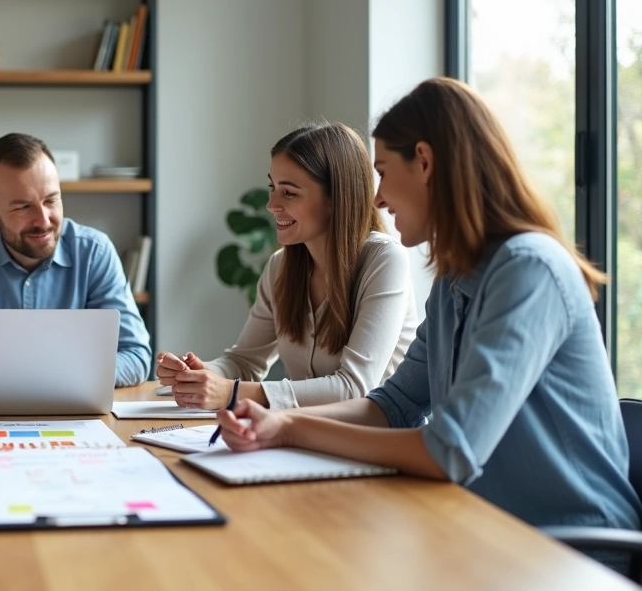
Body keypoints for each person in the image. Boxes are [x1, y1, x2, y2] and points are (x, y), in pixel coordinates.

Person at [217, 78, 642, 559]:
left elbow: (450, 449)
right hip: (488, 533)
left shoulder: (529, 270)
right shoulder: (454, 279)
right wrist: (278, 422)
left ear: (424, 161)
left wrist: (290, 426)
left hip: (572, 551)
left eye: (382, 172)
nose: (376, 198)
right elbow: (391, 406)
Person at [157, 122, 418, 411]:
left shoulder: (384, 260)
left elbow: (354, 387)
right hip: (303, 439)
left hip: (374, 445)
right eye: (273, 187)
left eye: (289, 193)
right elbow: (245, 361)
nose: (271, 204)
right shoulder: (279, 267)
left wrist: (231, 392)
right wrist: (200, 374)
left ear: (335, 199)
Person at [0, 132, 152, 386]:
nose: (44, 221)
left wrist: (52, 380)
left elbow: (136, 354)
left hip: (74, 415)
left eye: (51, 200)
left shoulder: (94, 252)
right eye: (23, 207)